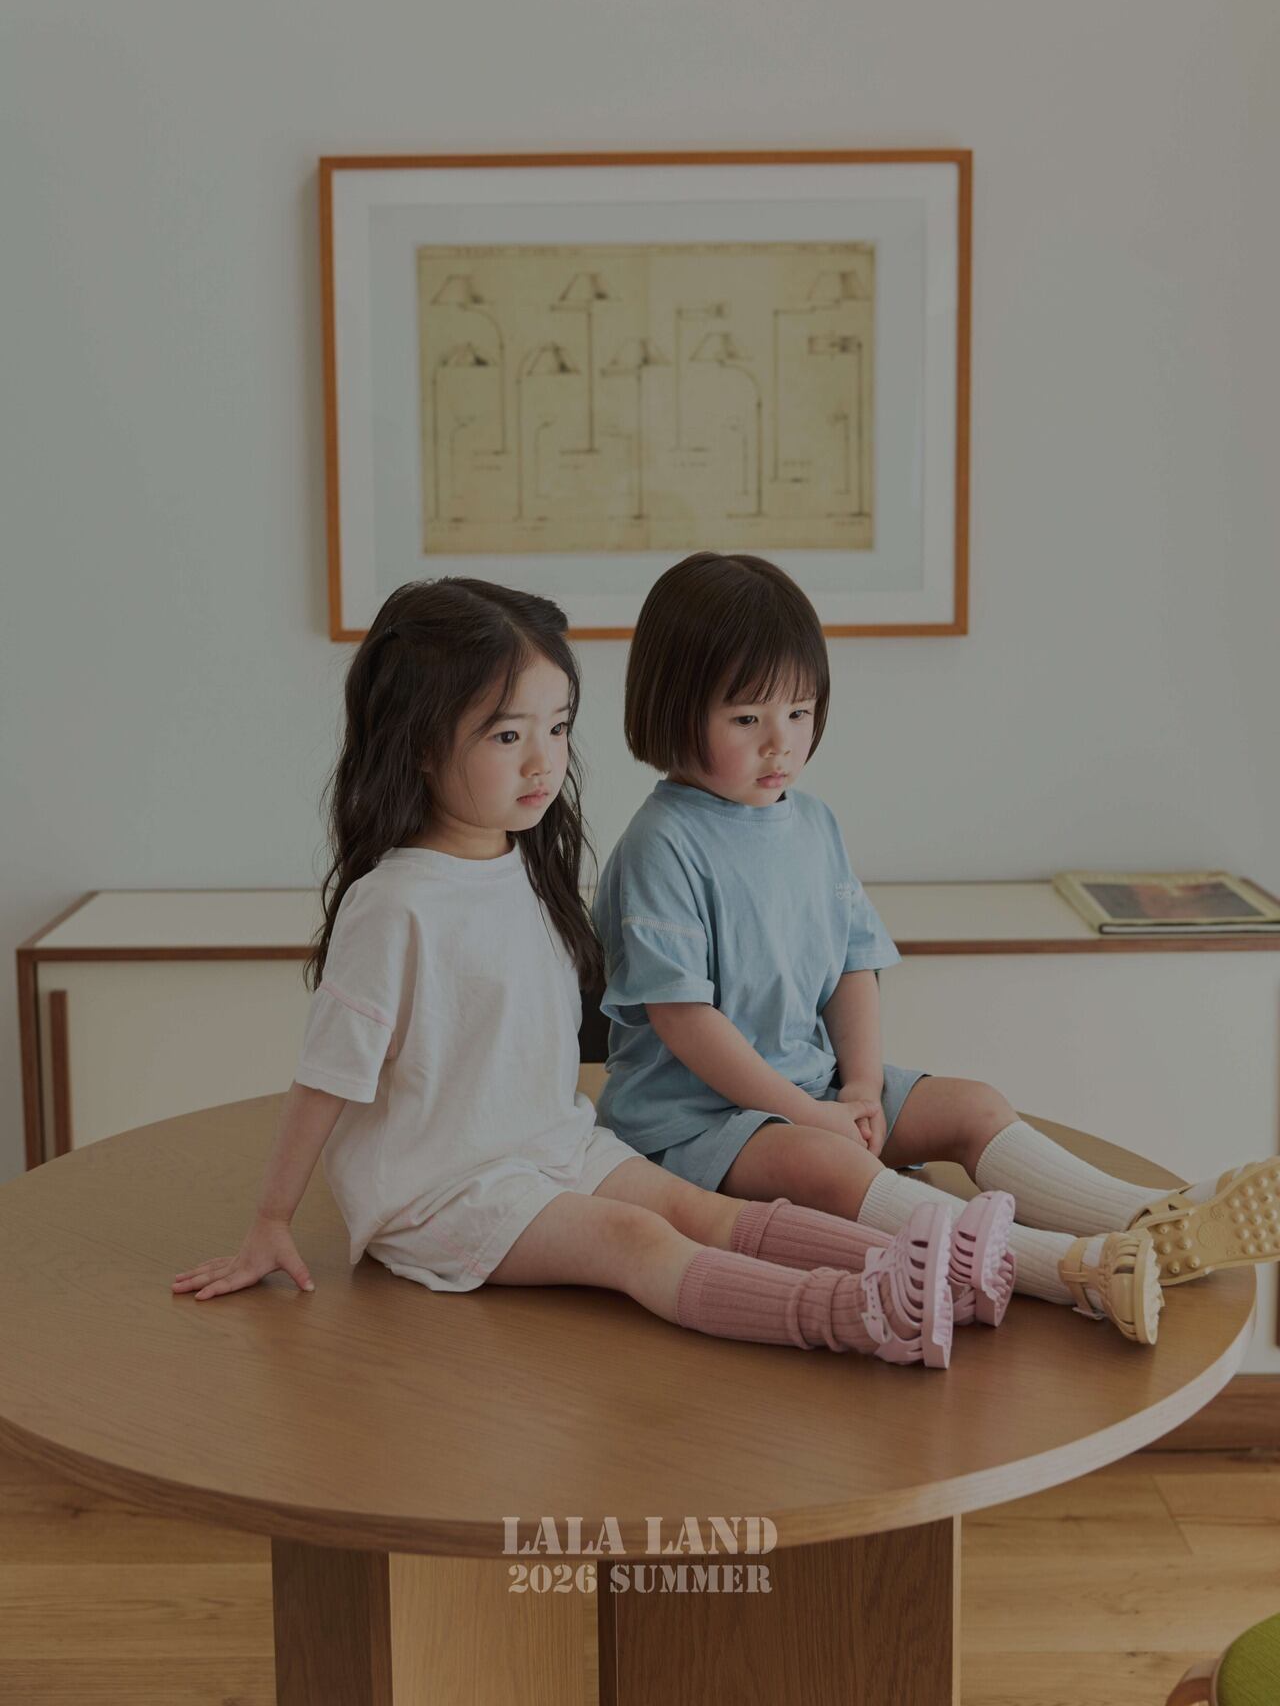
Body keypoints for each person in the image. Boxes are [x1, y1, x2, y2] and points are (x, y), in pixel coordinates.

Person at [172, 576, 1018, 1371]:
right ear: (421, 747)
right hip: (444, 1192)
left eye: (558, 727)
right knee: (636, 1242)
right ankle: (857, 1313)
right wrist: (271, 1219)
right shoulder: (393, 906)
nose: (544, 761)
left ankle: (934, 1269)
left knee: (704, 1211)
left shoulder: (527, 868)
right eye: (508, 735)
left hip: (553, 1144)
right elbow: (325, 1078)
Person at [593, 550, 1280, 1348]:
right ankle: (1067, 1267)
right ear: (673, 709)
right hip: (694, 1121)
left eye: (801, 712)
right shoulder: (662, 844)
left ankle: (1145, 1219)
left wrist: (858, 1086)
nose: (782, 743)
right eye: (748, 720)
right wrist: (811, 1116)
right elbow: (684, 1021)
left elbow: (852, 965)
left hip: (813, 1086)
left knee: (973, 1105)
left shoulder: (811, 824)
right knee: (836, 1169)